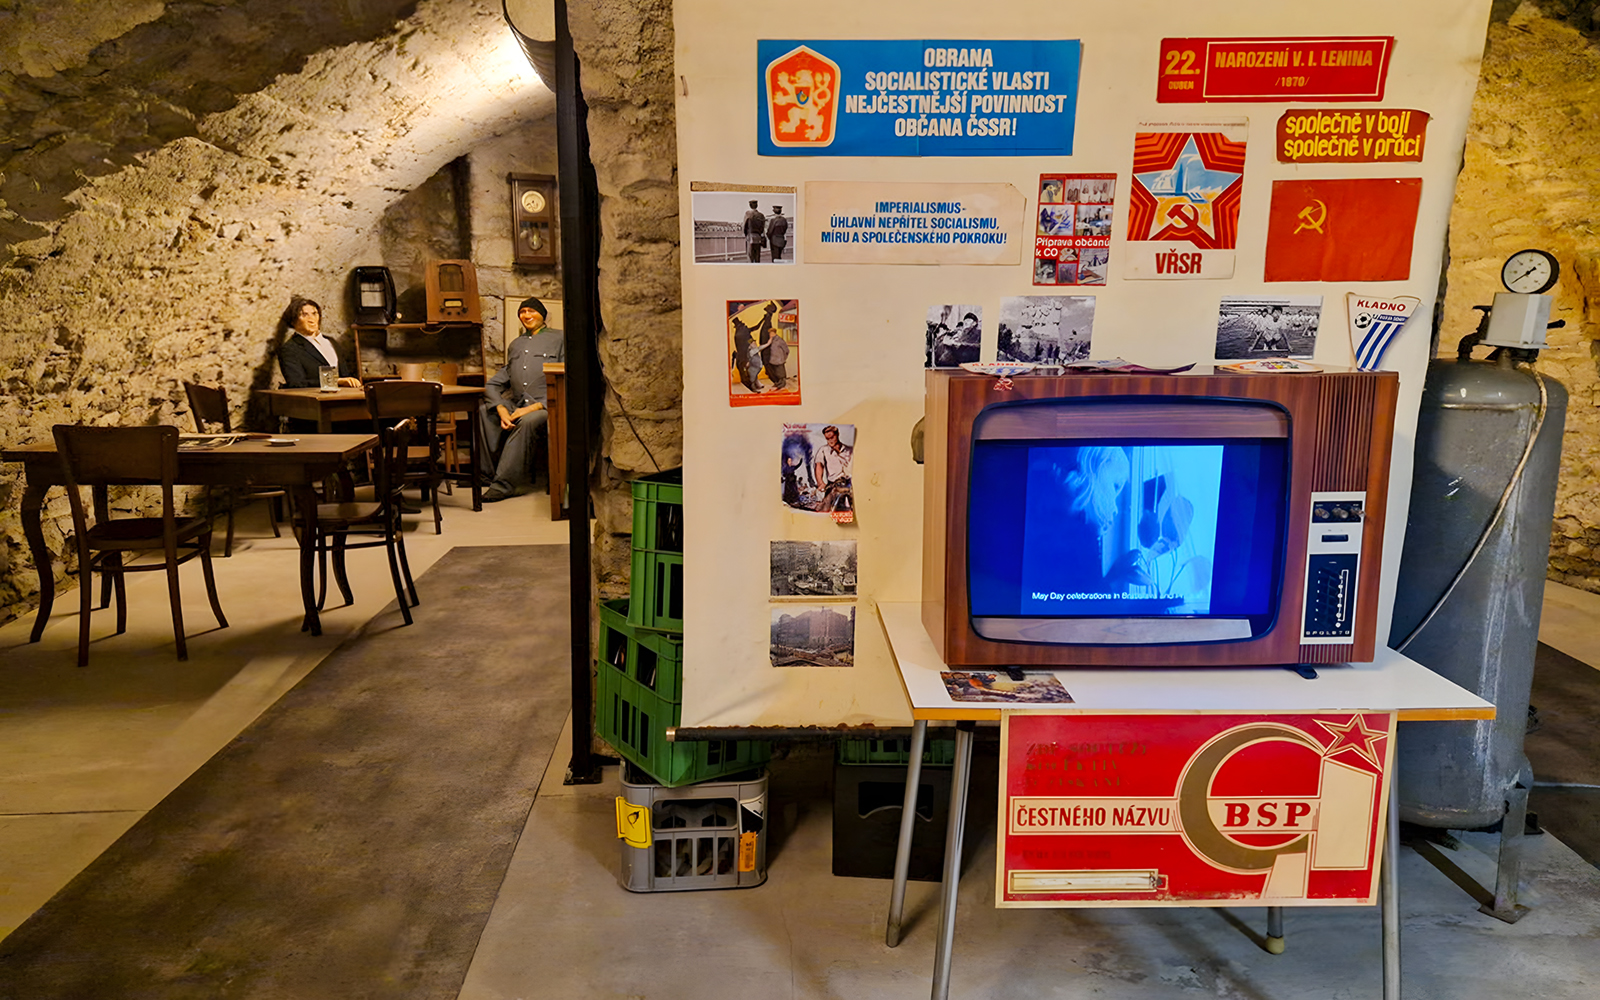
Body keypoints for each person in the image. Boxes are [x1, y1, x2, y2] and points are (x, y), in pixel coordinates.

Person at [480, 297, 564, 502]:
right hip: (518, 404)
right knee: (484, 411)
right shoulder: (516, 345)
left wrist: (531, 408)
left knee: (527, 421)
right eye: (522, 312)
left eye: (531, 311)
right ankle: (487, 475)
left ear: (542, 314)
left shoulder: (561, 339)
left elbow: (567, 380)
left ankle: (504, 485)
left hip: (547, 406)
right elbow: (493, 384)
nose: (526, 315)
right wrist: (500, 407)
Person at [276, 297, 360, 388]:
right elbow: (296, 383)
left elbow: (345, 375)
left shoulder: (331, 342)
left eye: (314, 314)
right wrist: (335, 381)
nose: (311, 319)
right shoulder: (290, 349)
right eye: (304, 315)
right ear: (293, 321)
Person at [814, 425, 852, 512]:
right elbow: (819, 465)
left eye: (832, 437)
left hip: (849, 486)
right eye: (827, 439)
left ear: (837, 434)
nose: (830, 441)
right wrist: (820, 482)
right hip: (833, 486)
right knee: (825, 511)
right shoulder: (823, 450)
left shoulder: (849, 450)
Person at [755, 301, 788, 389]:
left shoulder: (778, 340)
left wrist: (783, 358)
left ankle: (780, 382)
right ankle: (777, 382)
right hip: (767, 353)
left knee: (777, 370)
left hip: (772, 356)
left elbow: (786, 349)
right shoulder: (767, 324)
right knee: (769, 369)